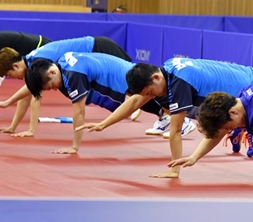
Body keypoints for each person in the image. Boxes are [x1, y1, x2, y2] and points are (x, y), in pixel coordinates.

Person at [76, 57, 253, 178]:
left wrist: (175, 170)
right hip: (244, 84)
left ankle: (245, 129)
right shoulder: (167, 69)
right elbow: (136, 101)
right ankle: (237, 129)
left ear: (155, 78)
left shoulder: (179, 82)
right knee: (217, 119)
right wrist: (104, 124)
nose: (150, 97)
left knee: (251, 126)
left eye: (150, 92)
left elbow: (175, 131)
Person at [0, 36, 133, 138]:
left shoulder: (38, 62)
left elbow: (36, 98)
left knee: (135, 81)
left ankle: (146, 110)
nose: (12, 78)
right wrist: (11, 121)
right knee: (130, 87)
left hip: (100, 48)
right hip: (95, 51)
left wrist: (31, 130)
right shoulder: (31, 62)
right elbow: (28, 93)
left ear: (16, 65)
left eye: (10, 74)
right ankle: (133, 106)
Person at [24, 52, 165, 154]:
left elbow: (79, 112)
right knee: (149, 102)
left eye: (51, 86)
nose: (54, 89)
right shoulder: (62, 62)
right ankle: (170, 116)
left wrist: (74, 147)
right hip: (120, 69)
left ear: (51, 73)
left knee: (155, 99)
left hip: (121, 78)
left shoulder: (73, 74)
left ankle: (177, 119)